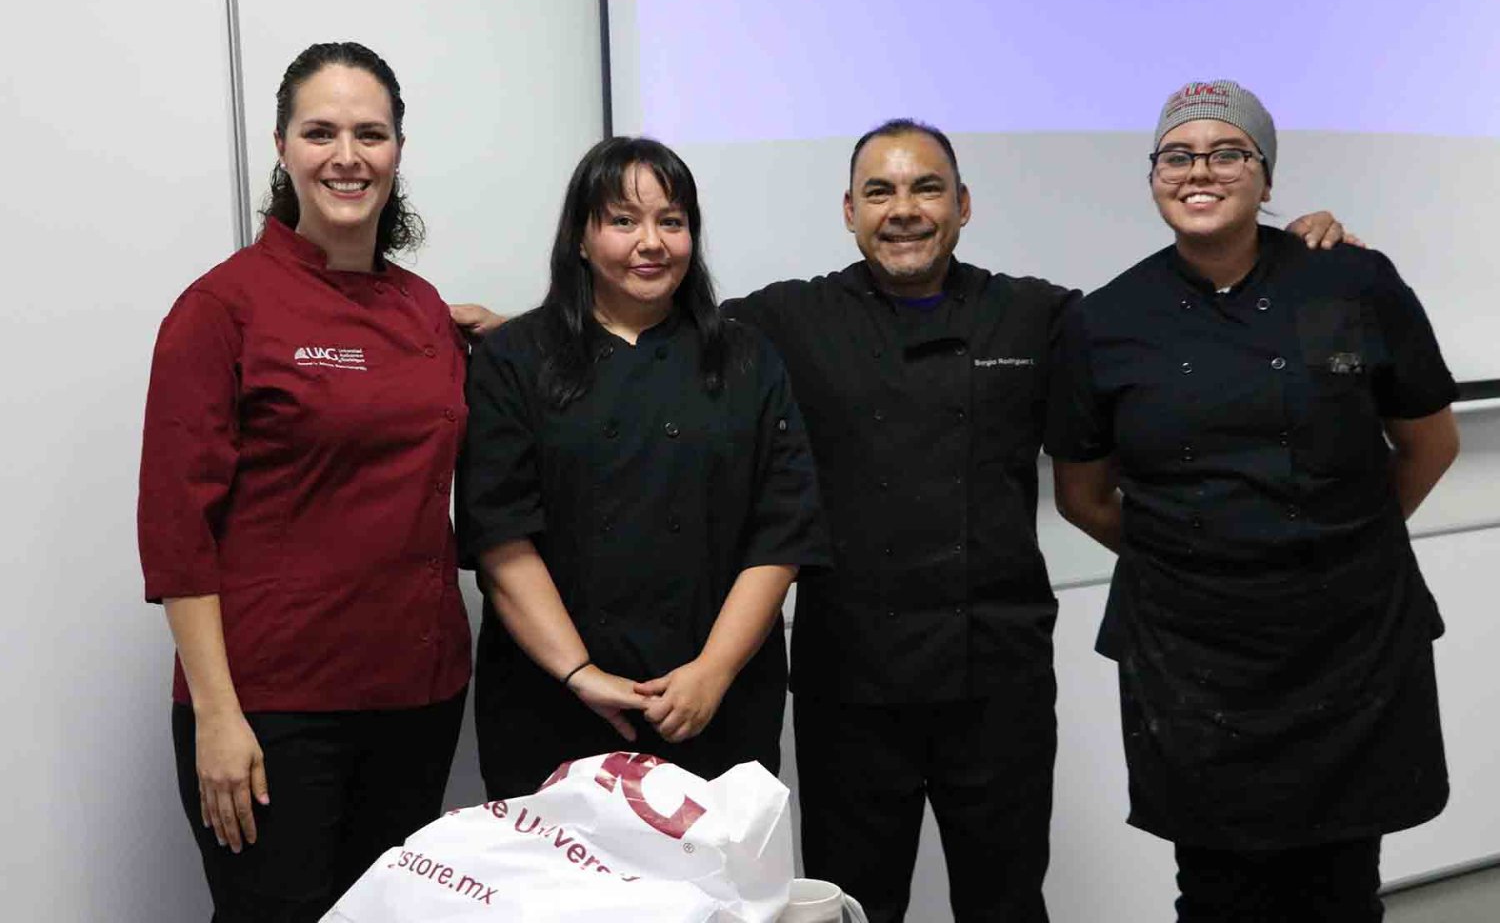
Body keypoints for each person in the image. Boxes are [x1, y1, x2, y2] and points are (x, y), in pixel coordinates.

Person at [719, 118, 1353, 923]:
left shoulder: (1034, 315)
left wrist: (1290, 261)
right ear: (850, 211)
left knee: (1008, 901)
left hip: (999, 676)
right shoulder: (788, 319)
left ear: (964, 205)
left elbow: (1182, 330)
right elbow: (661, 321)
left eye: (927, 188)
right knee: (854, 902)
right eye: (880, 192)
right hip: (851, 682)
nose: (904, 209)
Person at [1046, 80, 1459, 922]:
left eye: (1228, 153)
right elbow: (1083, 496)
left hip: (1349, 637)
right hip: (1192, 654)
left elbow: (1430, 444)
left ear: (1266, 177)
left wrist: (1342, 543)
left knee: (1342, 886)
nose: (1200, 171)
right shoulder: (1105, 319)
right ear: (1154, 176)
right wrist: (1196, 554)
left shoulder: (1350, 282)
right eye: (1177, 155)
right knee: (1215, 889)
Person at [139, 42, 474, 922]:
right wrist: (218, 716)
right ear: (282, 147)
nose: (347, 156)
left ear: (399, 150)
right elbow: (176, 533)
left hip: (418, 696)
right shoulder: (221, 309)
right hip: (272, 710)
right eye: (321, 132)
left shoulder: (424, 309)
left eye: (371, 134)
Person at [458, 137, 827, 799]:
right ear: (580, 237)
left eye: (671, 221)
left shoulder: (747, 359)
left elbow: (782, 533)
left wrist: (713, 671)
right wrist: (579, 673)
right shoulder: (514, 358)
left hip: (716, 704)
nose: (651, 242)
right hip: (550, 701)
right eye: (623, 220)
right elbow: (500, 536)